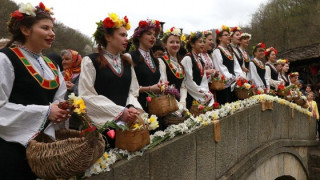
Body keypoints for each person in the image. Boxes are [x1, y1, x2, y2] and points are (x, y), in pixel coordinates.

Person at [0, 2, 69, 179]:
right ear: (25, 29)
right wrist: (46, 112)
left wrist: (62, 109)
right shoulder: (5, 59)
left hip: (44, 152)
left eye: (53, 29)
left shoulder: (52, 65)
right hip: (11, 149)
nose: (52, 33)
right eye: (45, 28)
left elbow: (58, 99)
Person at [79, 13, 141, 135]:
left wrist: (131, 107)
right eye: (122, 35)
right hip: (101, 126)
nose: (126, 39)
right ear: (108, 37)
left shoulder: (127, 62)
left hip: (127, 124)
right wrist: (118, 112)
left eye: (126, 35)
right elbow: (86, 95)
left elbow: (132, 91)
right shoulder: (90, 61)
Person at [127, 19, 163, 112]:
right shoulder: (130, 57)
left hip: (156, 107)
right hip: (138, 107)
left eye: (154, 35)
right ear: (139, 36)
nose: (153, 37)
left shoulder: (155, 60)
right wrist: (150, 89)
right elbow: (128, 88)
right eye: (149, 34)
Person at [181, 31, 214, 109]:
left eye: (203, 42)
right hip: (190, 96)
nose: (203, 44)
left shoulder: (199, 59)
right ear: (192, 44)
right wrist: (203, 94)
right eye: (200, 42)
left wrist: (206, 91)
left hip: (198, 96)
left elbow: (203, 79)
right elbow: (188, 81)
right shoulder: (187, 58)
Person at [212, 25, 245, 104]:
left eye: (229, 35)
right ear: (219, 38)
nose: (228, 37)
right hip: (224, 87)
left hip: (233, 85)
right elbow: (221, 69)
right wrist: (233, 78)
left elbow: (236, 67)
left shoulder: (229, 51)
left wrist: (240, 77)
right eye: (226, 35)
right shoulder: (217, 51)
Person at [159, 27, 187, 112]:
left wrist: (182, 103)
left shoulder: (180, 63)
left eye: (177, 42)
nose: (175, 44)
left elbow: (183, 86)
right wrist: (177, 106)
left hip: (181, 106)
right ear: (165, 45)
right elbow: (164, 86)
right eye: (171, 42)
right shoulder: (161, 61)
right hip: (169, 105)